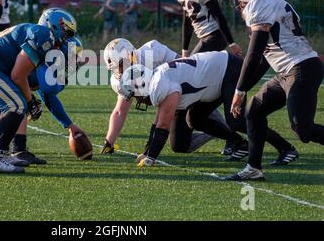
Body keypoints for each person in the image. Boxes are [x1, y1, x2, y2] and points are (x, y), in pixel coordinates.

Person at [226, 0, 324, 181]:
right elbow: (262, 60)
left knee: (302, 129)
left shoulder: (261, 3)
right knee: (254, 111)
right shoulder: (268, 4)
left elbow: (253, 54)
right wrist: (243, 90)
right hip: (287, 71)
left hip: (302, 67)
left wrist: (239, 91)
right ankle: (253, 168)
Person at [119, 51, 296, 168]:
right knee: (194, 119)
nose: (137, 100)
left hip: (227, 70)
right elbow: (158, 121)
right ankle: (240, 144)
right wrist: (146, 151)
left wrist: (151, 158)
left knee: (237, 121)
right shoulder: (157, 80)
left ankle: (286, 149)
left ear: (142, 84)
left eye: (135, 95)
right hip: (213, 79)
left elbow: (163, 125)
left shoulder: (160, 85)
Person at [0, 8, 77, 173]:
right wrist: (30, 101)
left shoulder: (36, 33)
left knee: (11, 104)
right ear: (54, 24)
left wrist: (30, 100)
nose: (67, 38)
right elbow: (18, 76)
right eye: (67, 32)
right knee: (16, 104)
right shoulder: (44, 34)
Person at [102, 38, 224, 157]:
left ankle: (230, 134)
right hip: (171, 99)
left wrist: (150, 146)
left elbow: (187, 68)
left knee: (198, 106)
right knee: (179, 145)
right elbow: (120, 111)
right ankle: (215, 131)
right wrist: (109, 142)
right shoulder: (119, 80)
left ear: (130, 56)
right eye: (115, 68)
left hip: (187, 90)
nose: (118, 71)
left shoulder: (153, 51)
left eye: (120, 66)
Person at [173, 0, 243, 156]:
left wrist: (231, 42)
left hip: (215, 38)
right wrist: (185, 50)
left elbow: (219, 15)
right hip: (204, 39)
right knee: (196, 81)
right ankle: (219, 128)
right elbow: (187, 22)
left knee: (190, 78)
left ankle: (226, 134)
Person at [0, 35, 86, 165]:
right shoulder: (43, 61)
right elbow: (49, 90)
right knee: (21, 103)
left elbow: (48, 97)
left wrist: (69, 125)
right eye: (73, 56)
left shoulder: (43, 57)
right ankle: (18, 150)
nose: (73, 61)